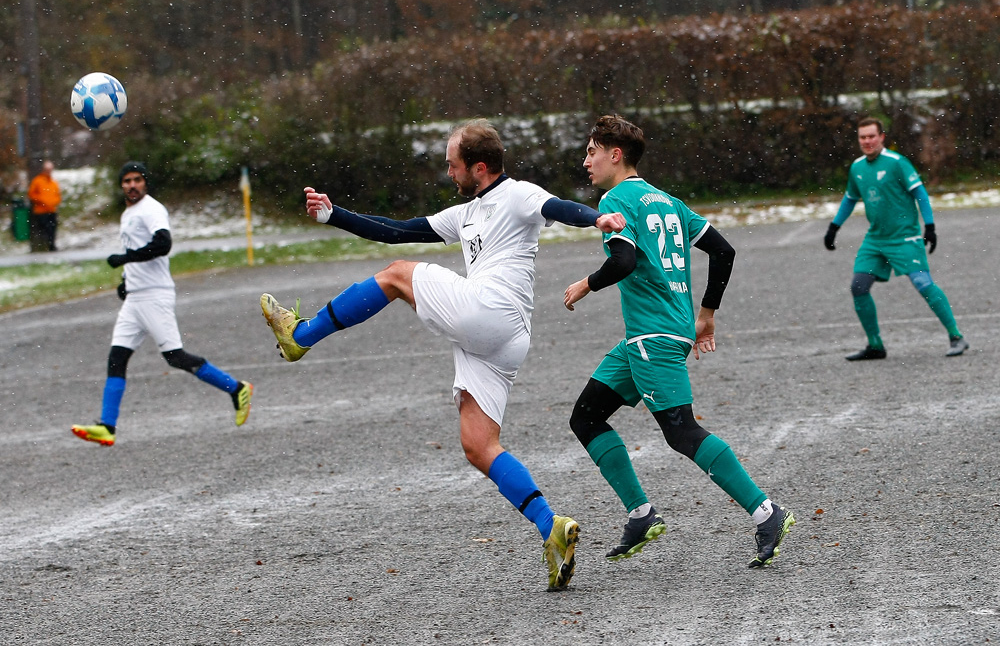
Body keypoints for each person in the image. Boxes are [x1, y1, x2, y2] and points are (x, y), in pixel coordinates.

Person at [260, 119, 626, 591]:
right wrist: (334, 215)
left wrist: (595, 218)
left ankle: (302, 336)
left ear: (479, 166)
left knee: (395, 275)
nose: (447, 172)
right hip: (503, 339)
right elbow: (396, 230)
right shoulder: (465, 214)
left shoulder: (517, 195)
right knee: (478, 445)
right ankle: (551, 527)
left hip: (491, 312)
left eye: (452, 164)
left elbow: (558, 206)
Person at [562, 114, 794, 568]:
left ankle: (767, 512)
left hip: (653, 338)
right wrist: (705, 314)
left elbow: (624, 260)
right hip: (648, 336)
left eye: (591, 152)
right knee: (586, 417)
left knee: (681, 431)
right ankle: (641, 514)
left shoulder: (615, 200)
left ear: (615, 155)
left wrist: (586, 284)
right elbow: (723, 251)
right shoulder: (668, 201)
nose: (584, 161)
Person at [71, 162, 253, 447]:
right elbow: (141, 251)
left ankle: (237, 388)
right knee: (116, 359)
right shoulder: (128, 213)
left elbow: (162, 244)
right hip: (136, 297)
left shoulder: (152, 209)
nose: (132, 185)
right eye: (127, 181)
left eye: (138, 180)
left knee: (175, 357)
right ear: (121, 186)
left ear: (145, 183)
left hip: (155, 295)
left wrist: (125, 259)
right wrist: (126, 280)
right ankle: (107, 426)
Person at [824, 117, 969, 360]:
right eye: (863, 137)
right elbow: (850, 199)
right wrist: (834, 227)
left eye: (872, 136)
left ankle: (956, 336)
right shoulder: (857, 167)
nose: (867, 141)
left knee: (923, 284)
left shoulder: (897, 162)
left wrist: (930, 226)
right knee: (858, 287)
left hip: (905, 237)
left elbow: (920, 193)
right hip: (876, 240)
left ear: (882, 137)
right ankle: (875, 346)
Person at [27, 160, 61, 251]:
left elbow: (57, 195)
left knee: (52, 229)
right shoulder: (38, 181)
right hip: (41, 210)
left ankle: (51, 245)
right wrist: (41, 201)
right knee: (46, 228)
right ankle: (45, 246)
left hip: (51, 209)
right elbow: (31, 194)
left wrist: (53, 202)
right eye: (47, 169)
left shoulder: (53, 182)